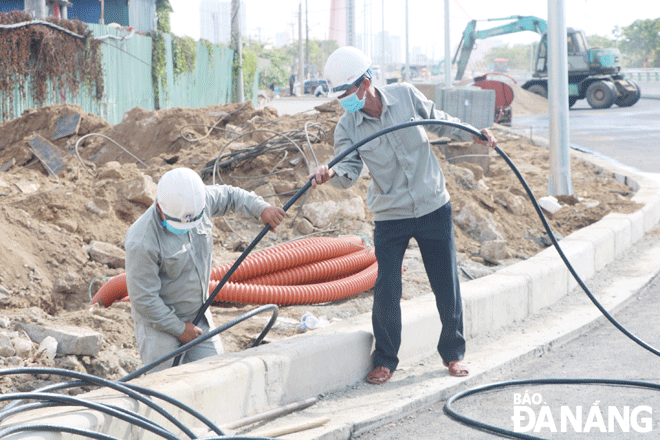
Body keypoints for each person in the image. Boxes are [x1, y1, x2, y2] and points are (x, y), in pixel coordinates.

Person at [308, 46, 497, 385]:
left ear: (366, 82)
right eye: (338, 95)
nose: (343, 101)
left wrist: (474, 134)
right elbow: (348, 169)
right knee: (387, 287)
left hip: (432, 204)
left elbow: (441, 122)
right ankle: (386, 360)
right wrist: (331, 174)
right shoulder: (347, 126)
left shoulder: (406, 96)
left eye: (347, 92)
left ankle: (454, 353)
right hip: (390, 214)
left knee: (445, 283)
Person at [125, 167, 285, 373]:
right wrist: (179, 329)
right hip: (159, 327)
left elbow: (230, 195)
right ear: (160, 208)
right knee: (165, 387)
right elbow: (144, 299)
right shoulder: (142, 240)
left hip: (198, 314)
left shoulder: (199, 200)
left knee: (215, 375)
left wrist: (260, 208)